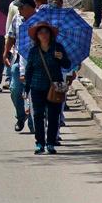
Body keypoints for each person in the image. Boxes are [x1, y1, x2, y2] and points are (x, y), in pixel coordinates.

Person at [24, 22, 71, 154]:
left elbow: (67, 65)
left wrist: (61, 58)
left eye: (46, 32)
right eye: (41, 33)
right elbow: (29, 70)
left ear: (50, 34)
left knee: (54, 116)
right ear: (37, 36)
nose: (44, 35)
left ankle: (50, 143)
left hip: (55, 88)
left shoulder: (58, 48)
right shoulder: (33, 51)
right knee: (38, 115)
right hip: (37, 87)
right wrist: (26, 88)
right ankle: (40, 143)